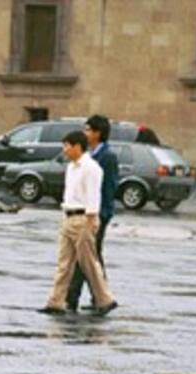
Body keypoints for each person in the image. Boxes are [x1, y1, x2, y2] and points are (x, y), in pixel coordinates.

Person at [39, 131, 117, 316]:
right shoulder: (71, 167)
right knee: (64, 263)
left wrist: (91, 222)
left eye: (67, 146)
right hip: (68, 216)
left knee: (88, 262)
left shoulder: (91, 168)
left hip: (84, 218)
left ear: (77, 146)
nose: (64, 150)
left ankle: (105, 299)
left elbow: (93, 195)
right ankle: (56, 302)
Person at [66, 115, 119, 312]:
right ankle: (102, 298)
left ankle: (73, 299)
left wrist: (102, 214)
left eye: (88, 130)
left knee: (85, 257)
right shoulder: (87, 155)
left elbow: (108, 188)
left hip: (97, 214)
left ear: (98, 133)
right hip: (83, 213)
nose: (85, 133)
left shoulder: (107, 157)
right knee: (92, 256)